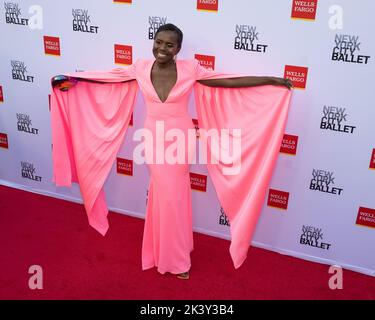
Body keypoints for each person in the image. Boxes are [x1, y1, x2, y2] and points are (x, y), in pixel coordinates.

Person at [52, 23, 292, 280]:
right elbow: (109, 77)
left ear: (178, 48)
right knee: (166, 196)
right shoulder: (140, 67)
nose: (162, 48)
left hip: (180, 140)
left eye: (169, 44)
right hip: (153, 140)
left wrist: (270, 80)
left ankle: (173, 256)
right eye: (158, 42)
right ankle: (170, 255)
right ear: (153, 42)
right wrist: (73, 79)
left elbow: (226, 81)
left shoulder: (191, 69)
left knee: (173, 197)